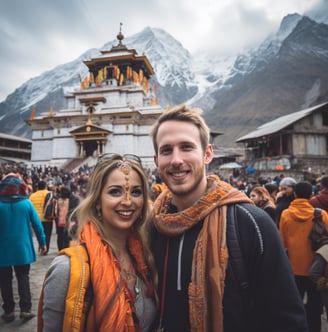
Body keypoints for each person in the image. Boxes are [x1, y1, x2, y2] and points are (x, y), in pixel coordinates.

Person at [149, 104, 308, 332]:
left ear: (207, 154)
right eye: (166, 150)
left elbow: (287, 321)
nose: (176, 159)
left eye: (186, 147)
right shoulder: (152, 227)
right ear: (156, 161)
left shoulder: (250, 223)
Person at [38, 154, 157, 331]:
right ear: (97, 201)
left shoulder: (147, 260)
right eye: (115, 191)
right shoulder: (67, 270)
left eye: (136, 192)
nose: (127, 201)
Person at [280, 181, 328, 332]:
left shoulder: (286, 215)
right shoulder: (322, 215)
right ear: (311, 195)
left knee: (295, 305)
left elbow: (282, 243)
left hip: (293, 268)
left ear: (294, 194)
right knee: (315, 306)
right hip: (316, 270)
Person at [0, 173, 47, 322]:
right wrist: (43, 242)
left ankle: (9, 311)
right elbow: (37, 225)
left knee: (5, 280)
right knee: (23, 276)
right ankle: (25, 309)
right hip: (22, 248)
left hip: (3, 249)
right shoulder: (26, 204)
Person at [29, 180, 55, 253]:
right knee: (47, 234)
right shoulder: (49, 194)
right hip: (47, 218)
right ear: (45, 186)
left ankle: (41, 245)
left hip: (36, 219)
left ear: (37, 187)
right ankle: (46, 248)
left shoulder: (32, 196)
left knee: (39, 233)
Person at [55, 186, 71, 251]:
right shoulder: (69, 201)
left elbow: (56, 211)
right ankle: (66, 248)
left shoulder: (58, 201)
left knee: (60, 236)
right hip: (67, 221)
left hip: (59, 221)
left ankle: (60, 249)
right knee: (66, 237)